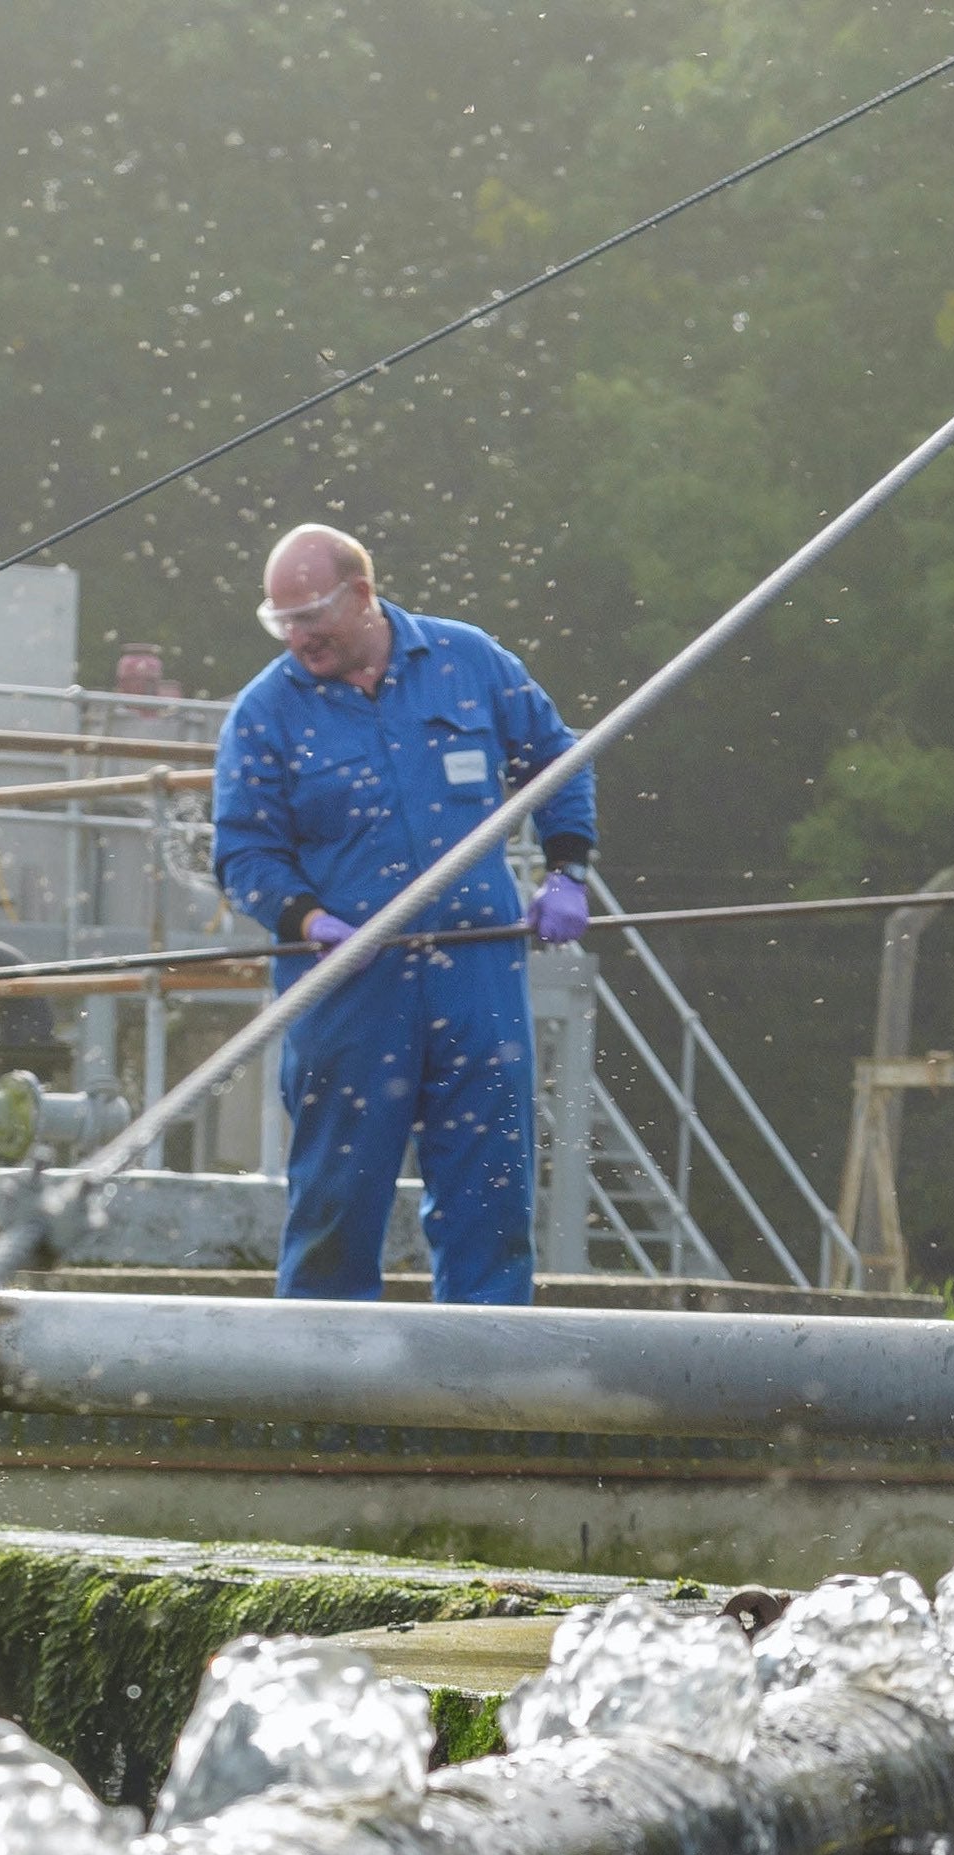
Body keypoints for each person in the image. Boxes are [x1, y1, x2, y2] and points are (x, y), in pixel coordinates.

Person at [206, 523, 599, 1304]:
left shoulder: (470, 663)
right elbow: (244, 854)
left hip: (476, 969)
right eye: (281, 621)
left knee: (491, 1195)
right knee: (336, 1204)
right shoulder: (265, 714)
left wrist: (568, 870)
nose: (297, 637)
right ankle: (328, 1396)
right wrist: (308, 922)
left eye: (311, 616)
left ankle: (483, 1394)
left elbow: (556, 761)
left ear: (360, 595)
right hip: (349, 985)